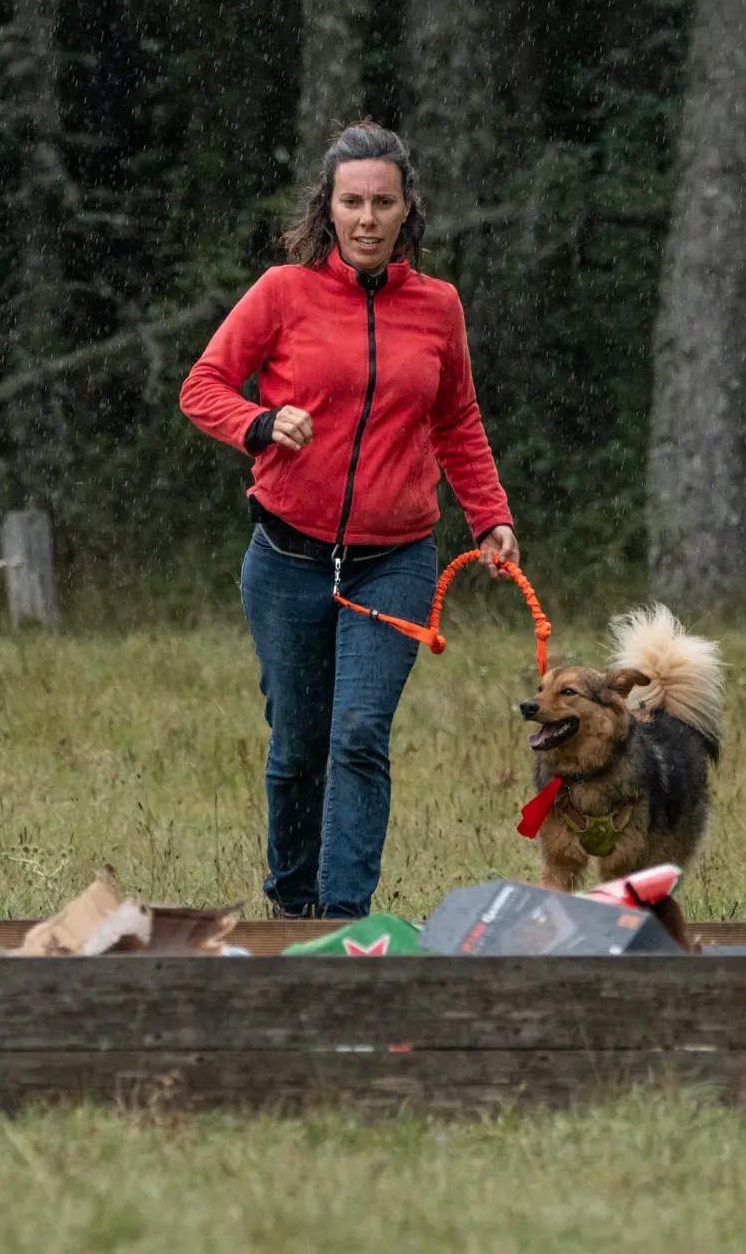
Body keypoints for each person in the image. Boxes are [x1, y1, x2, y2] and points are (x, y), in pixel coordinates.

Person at [179, 121, 518, 919]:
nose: (367, 218)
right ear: (327, 209)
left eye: (383, 203)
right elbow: (203, 387)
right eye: (352, 202)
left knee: (359, 735)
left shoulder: (439, 307)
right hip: (287, 558)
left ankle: (344, 927)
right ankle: (291, 912)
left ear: (407, 212)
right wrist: (260, 424)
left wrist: (489, 519)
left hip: (394, 560)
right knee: (297, 747)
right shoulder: (282, 292)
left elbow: (457, 419)